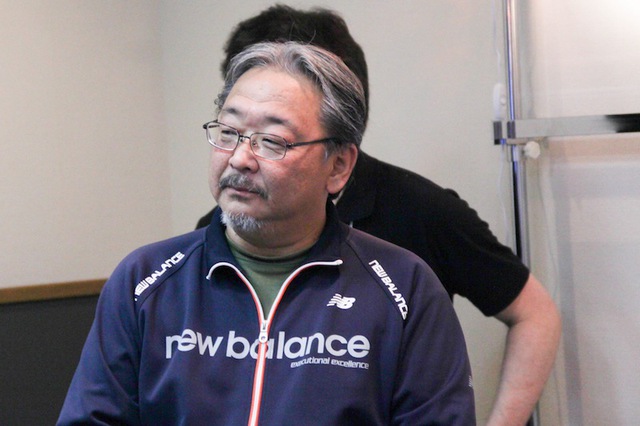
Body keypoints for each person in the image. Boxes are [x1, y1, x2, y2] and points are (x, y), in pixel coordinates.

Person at [58, 42, 475, 425]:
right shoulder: (144, 279)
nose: (240, 158)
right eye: (228, 133)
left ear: (338, 166)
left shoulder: (405, 287)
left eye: (272, 141)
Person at [195, 6, 561, 426]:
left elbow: (535, 314)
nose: (243, 155)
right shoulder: (214, 232)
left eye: (273, 135)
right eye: (234, 126)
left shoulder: (420, 210)